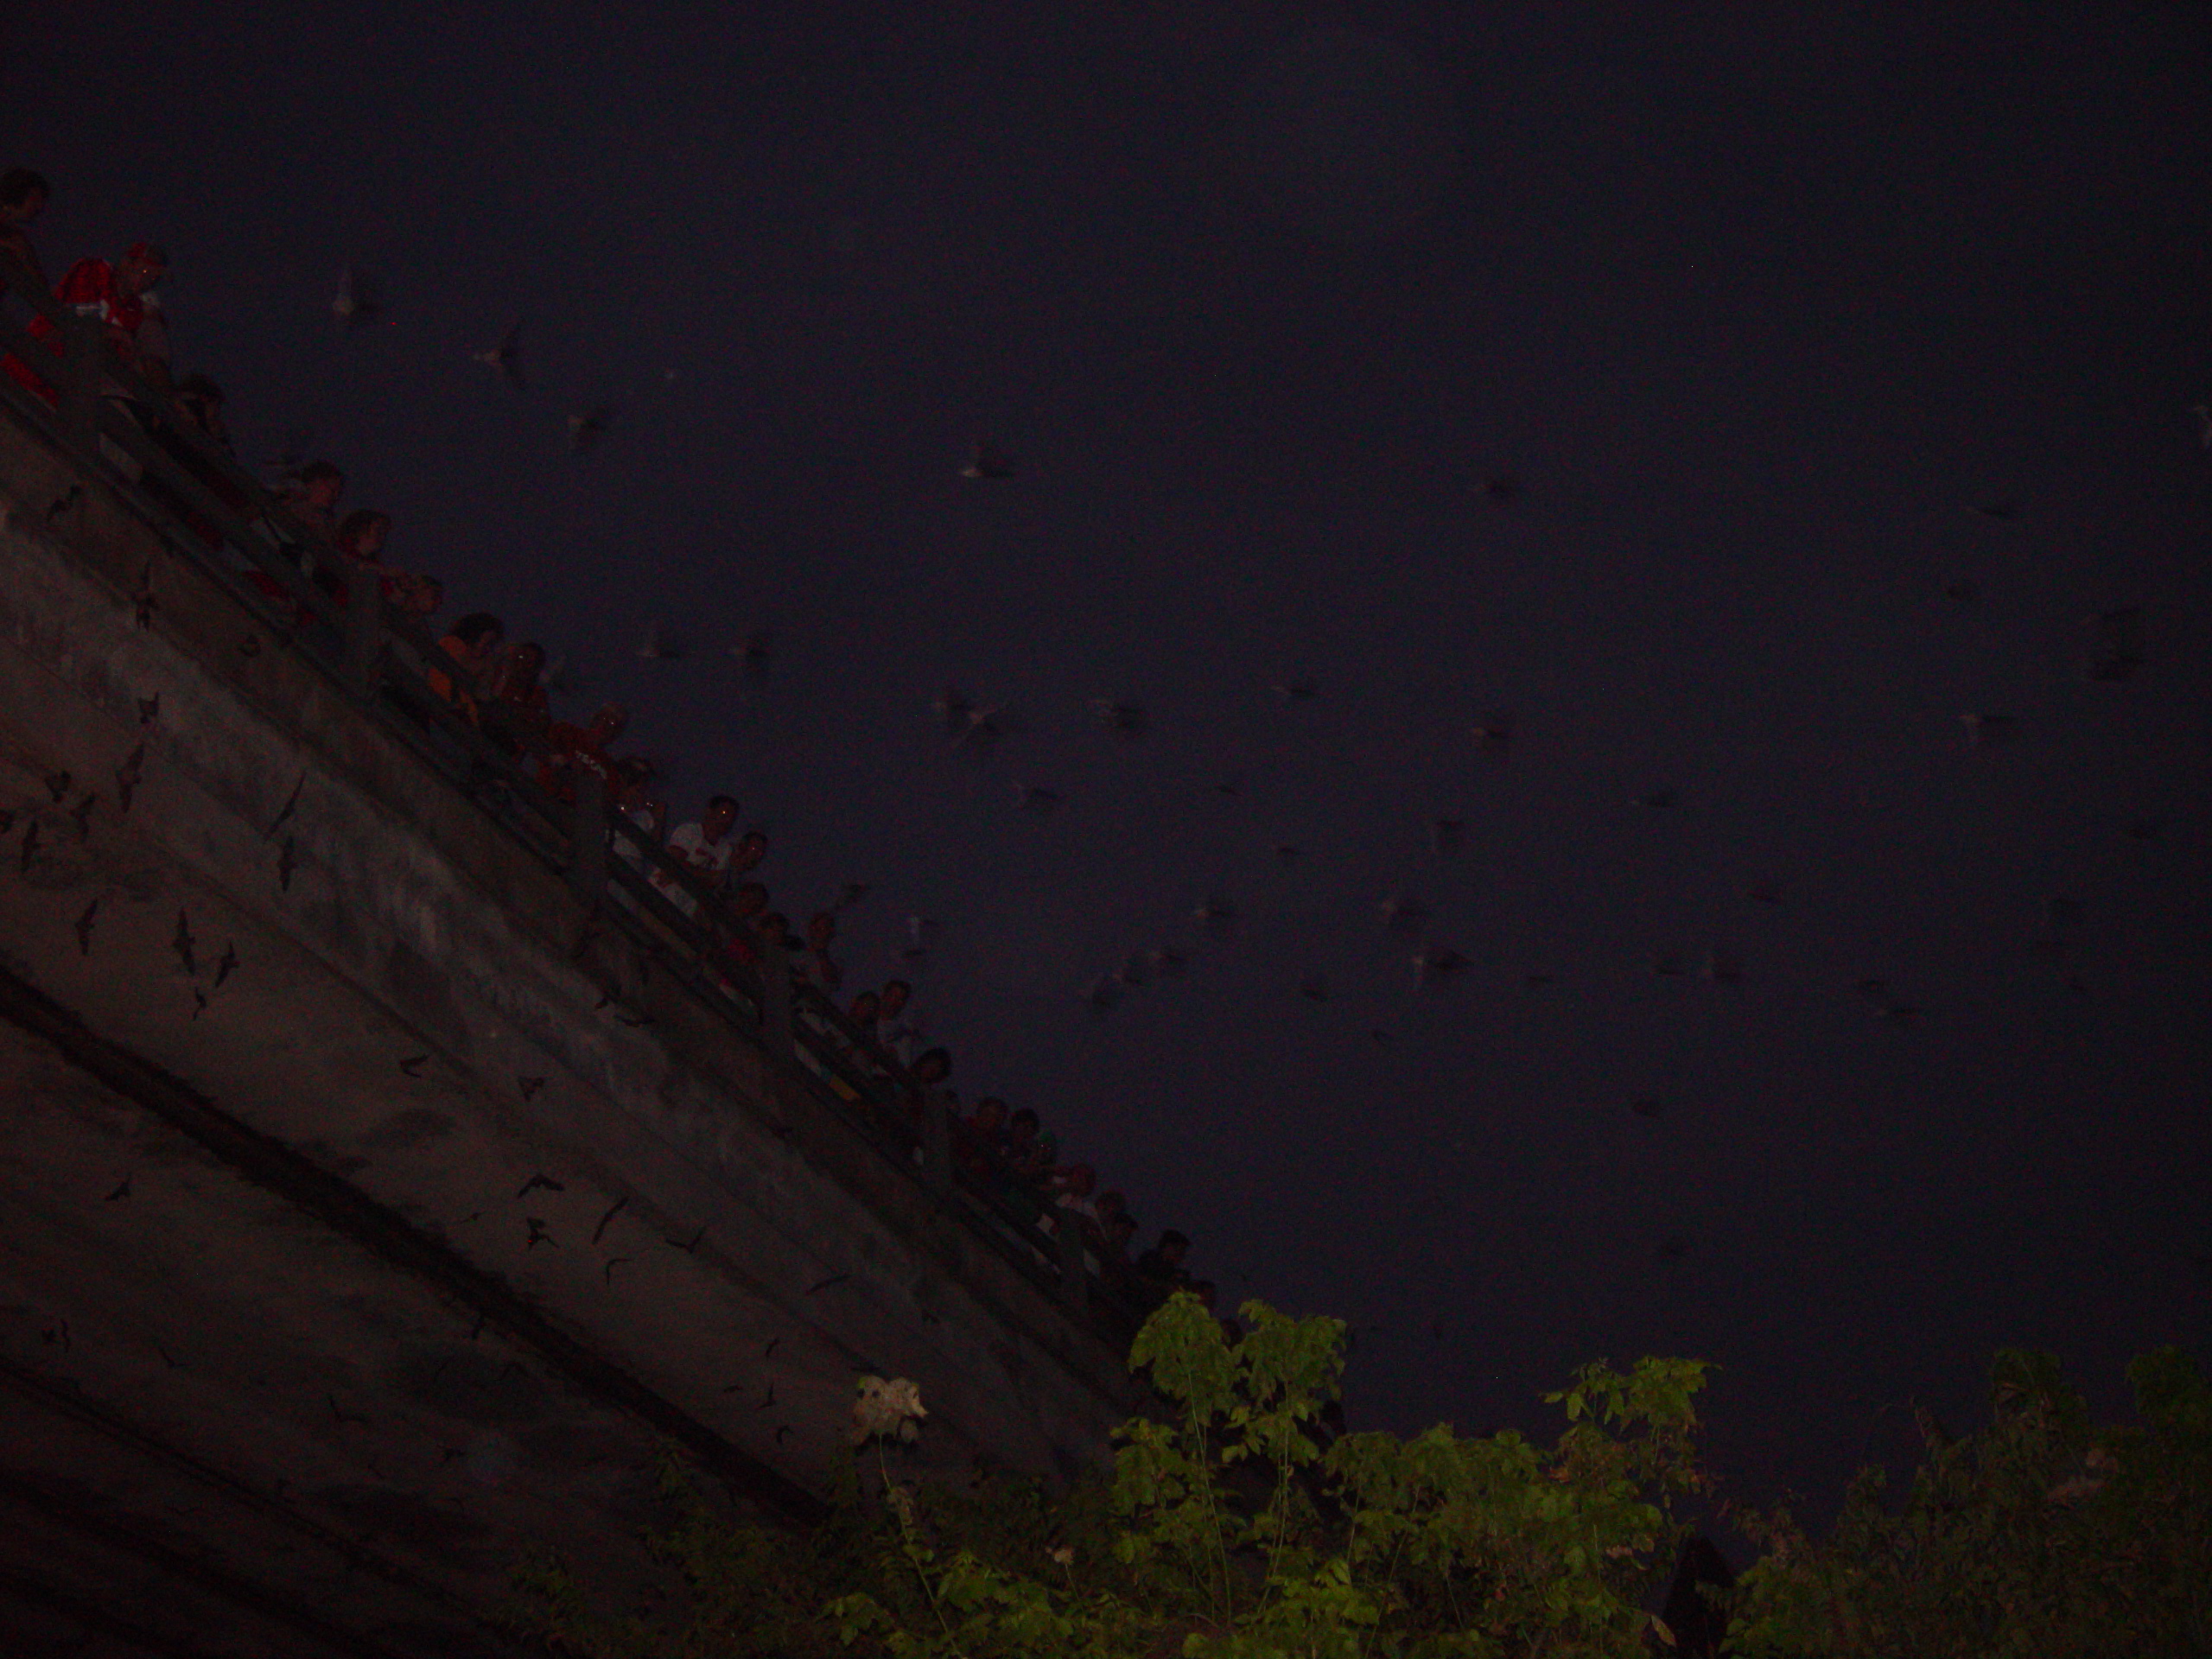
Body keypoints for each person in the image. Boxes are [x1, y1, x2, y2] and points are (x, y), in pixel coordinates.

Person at [652, 794, 741, 918]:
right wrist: (706, 875)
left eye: (731, 817)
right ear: (709, 811)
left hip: (684, 911)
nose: (727, 820)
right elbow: (674, 862)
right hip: (660, 898)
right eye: (724, 813)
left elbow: (715, 883)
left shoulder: (725, 849)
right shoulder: (690, 831)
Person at [538, 703, 628, 807]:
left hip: (572, 815)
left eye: (612, 723)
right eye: (603, 717)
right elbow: (541, 747)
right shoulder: (566, 731)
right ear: (594, 717)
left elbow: (609, 799)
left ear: (616, 734)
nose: (605, 725)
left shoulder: (610, 768)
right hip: (542, 796)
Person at [479, 641, 553, 754]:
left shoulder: (535, 694)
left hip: (502, 747)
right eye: (522, 656)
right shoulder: (497, 673)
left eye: (530, 662)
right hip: (476, 727)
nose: (522, 663)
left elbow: (543, 723)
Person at [0, 168, 50, 287]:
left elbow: (39, 288)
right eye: (34, 199)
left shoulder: (16, 239)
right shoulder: (11, 241)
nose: (39, 207)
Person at [797, 909, 842, 993]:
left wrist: (821, 952)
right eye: (818, 929)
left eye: (825, 928)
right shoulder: (798, 953)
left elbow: (831, 981)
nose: (820, 933)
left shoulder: (836, 960)